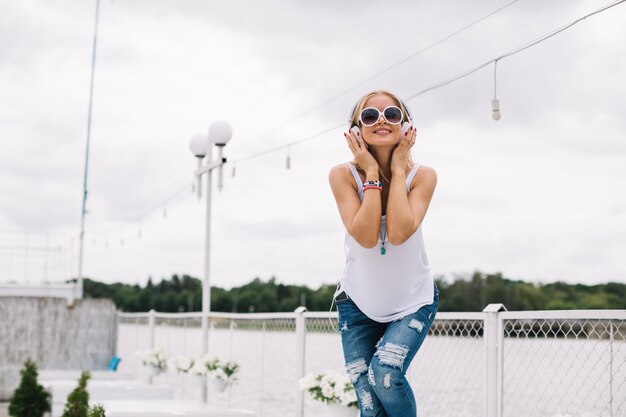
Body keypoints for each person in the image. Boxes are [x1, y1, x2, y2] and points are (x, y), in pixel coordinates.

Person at [328, 90, 438, 417]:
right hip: (357, 302)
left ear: (406, 126)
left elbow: (400, 233)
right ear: (355, 130)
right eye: (370, 116)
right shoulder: (342, 175)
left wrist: (400, 172)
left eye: (391, 114)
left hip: (412, 299)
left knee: (386, 375)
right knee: (368, 400)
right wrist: (372, 174)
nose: (381, 121)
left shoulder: (423, 177)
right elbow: (364, 236)